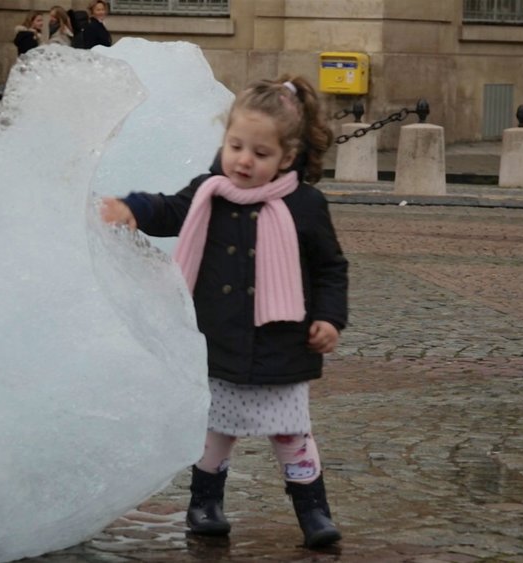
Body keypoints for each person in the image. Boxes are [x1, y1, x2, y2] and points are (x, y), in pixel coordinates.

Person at [99, 75, 348, 549]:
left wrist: (330, 318)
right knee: (216, 433)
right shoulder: (209, 192)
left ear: (286, 158)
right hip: (219, 339)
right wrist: (132, 208)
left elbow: (330, 267)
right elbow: (170, 209)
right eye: (236, 146)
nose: (244, 160)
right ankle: (206, 504)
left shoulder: (306, 205)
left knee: (292, 436)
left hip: (283, 344)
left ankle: (313, 511)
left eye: (260, 152)